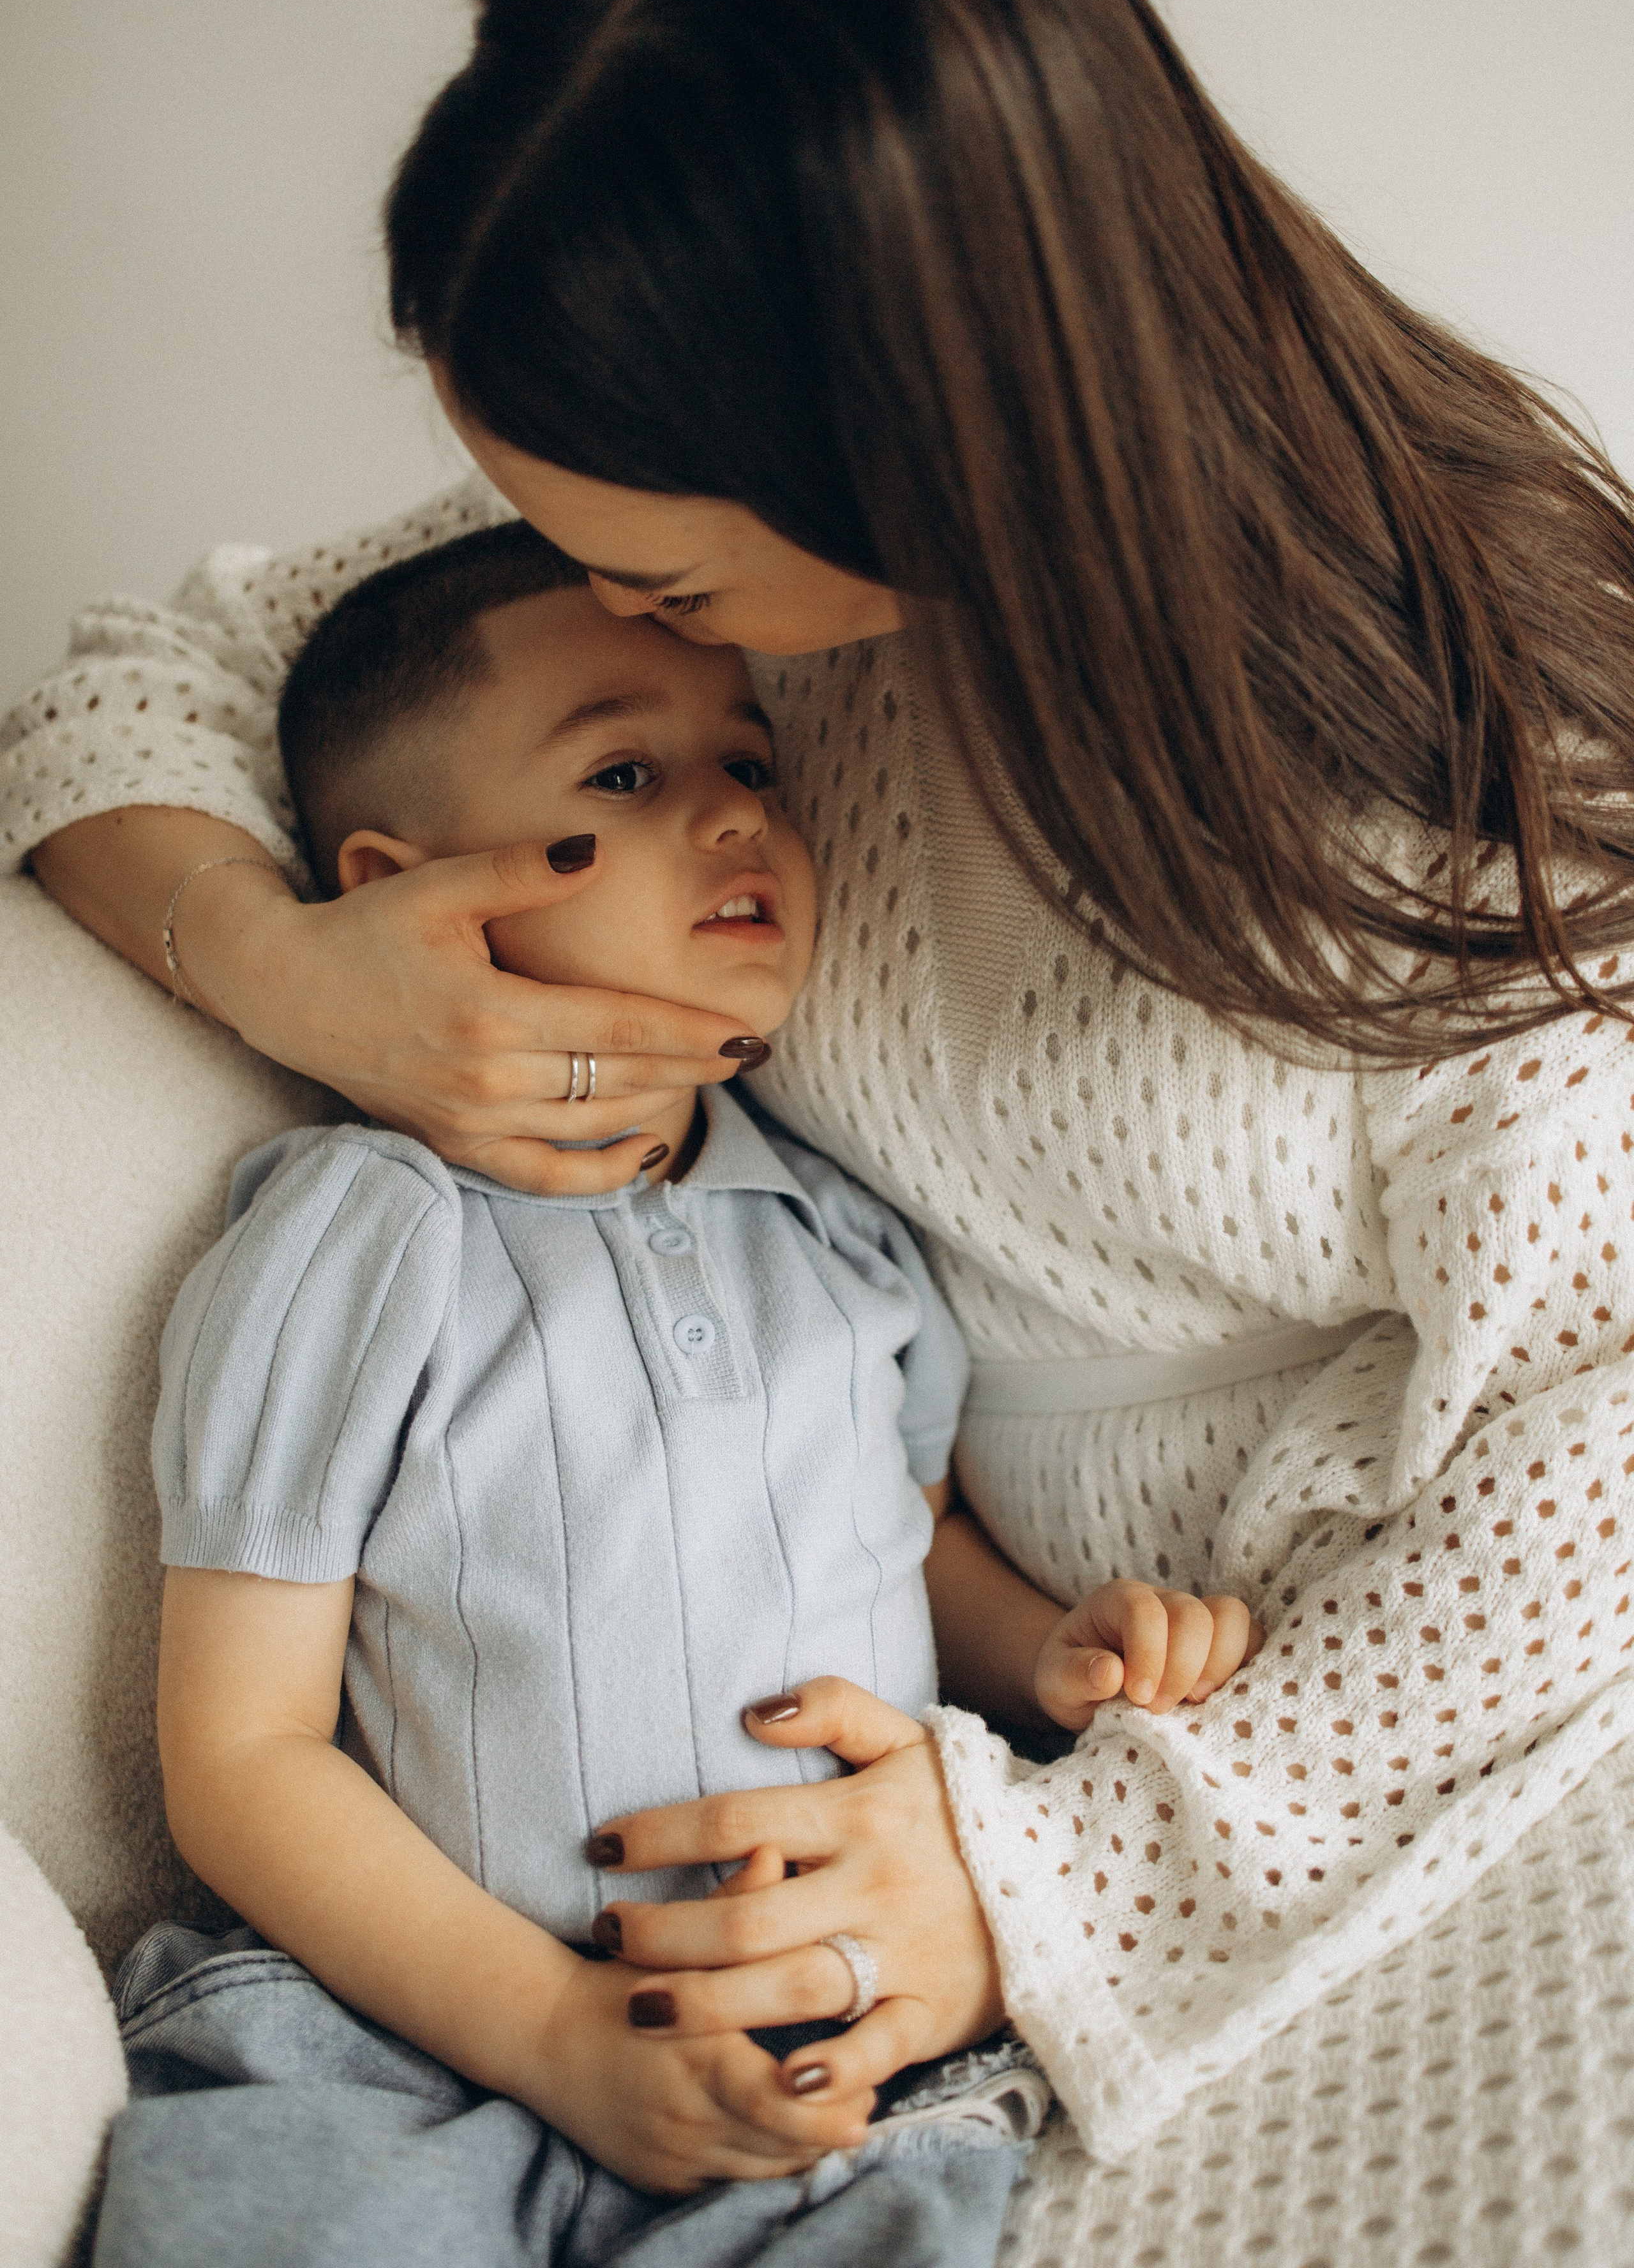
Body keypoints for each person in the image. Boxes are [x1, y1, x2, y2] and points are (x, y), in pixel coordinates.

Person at [9, 0, 1634, 2211]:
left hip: (1315, 1722)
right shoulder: (697, 640)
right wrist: (294, 975)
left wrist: (1068, 1870)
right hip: (891, 1720)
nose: (604, 609)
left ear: (918, 441)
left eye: (644, 562)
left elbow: (1597, 1461)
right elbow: (135, 684)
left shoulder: (1488, 782)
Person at [94, 521, 1261, 2265]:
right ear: (395, 888)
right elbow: (240, 1756)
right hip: (407, 2037)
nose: (733, 815)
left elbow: (906, 1541)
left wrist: (1047, 1655)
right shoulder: (367, 1234)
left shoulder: (836, 1231)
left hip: (820, 2051)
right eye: (625, 772)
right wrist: (554, 2035)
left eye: (746, 764)